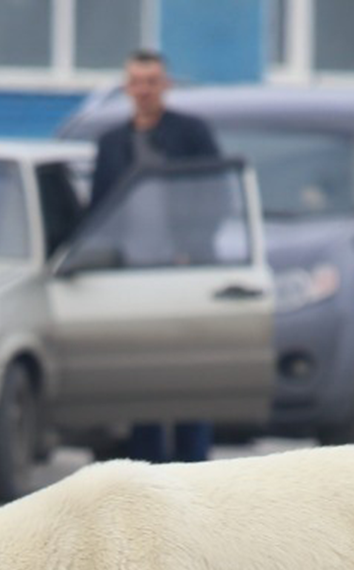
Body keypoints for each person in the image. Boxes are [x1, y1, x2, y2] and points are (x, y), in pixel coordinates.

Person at [91, 50, 221, 463]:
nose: (144, 90)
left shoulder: (192, 134)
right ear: (126, 87)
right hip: (132, 279)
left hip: (185, 275)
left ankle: (195, 471)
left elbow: (215, 196)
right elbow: (99, 211)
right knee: (142, 383)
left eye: (152, 81)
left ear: (165, 85)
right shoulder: (112, 144)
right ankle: (145, 474)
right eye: (136, 82)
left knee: (191, 380)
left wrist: (190, 250)